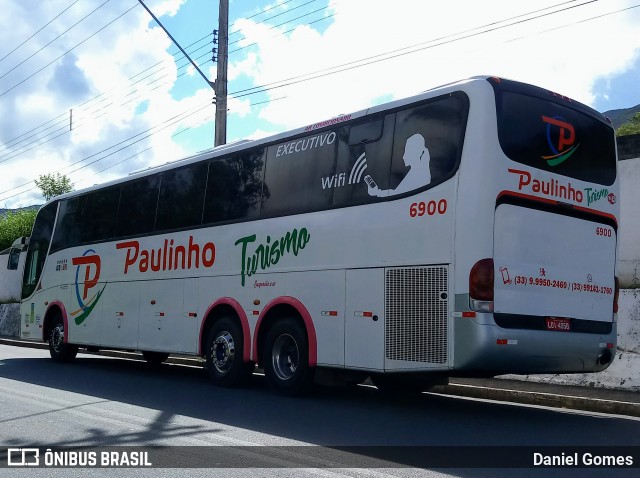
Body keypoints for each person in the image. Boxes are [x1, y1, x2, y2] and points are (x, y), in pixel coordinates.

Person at [367, 133, 431, 197]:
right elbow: (398, 192)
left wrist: (377, 193)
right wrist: (377, 192)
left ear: (416, 152)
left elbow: (398, 195)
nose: (404, 157)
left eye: (407, 151)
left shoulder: (419, 174)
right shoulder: (417, 172)